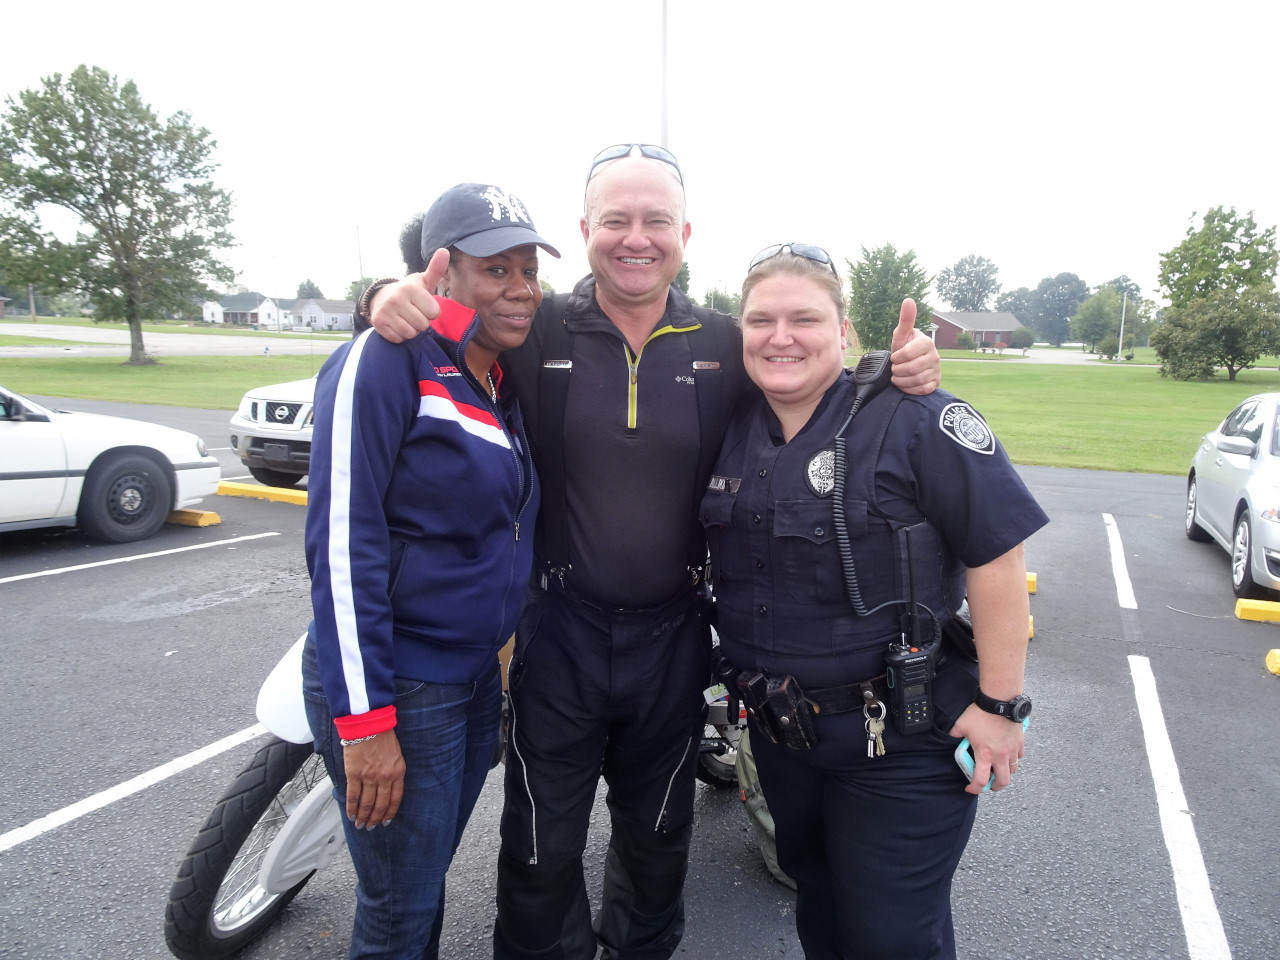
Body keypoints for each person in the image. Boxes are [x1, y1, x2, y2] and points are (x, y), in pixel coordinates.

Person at [363, 145, 943, 960]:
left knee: (657, 838)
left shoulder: (729, 342)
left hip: (673, 637)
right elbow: (432, 334)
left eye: (655, 221)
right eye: (616, 220)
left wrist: (901, 367)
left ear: (685, 234)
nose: (635, 238)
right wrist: (380, 297)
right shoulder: (536, 325)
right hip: (559, 633)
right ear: (585, 231)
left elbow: (818, 384)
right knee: (539, 846)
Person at [700, 243, 1049, 960]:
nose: (781, 337)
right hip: (785, 738)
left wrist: (1001, 707)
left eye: (804, 319)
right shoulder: (731, 423)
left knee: (890, 938)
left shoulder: (916, 419)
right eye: (761, 321)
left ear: (843, 330)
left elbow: (998, 553)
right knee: (821, 912)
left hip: (900, 741)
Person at [302, 182, 556, 959]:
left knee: (421, 880)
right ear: (442, 273)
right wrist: (365, 724)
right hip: (401, 687)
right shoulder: (384, 362)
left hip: (471, 681)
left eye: (529, 270)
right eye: (496, 270)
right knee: (398, 911)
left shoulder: (497, 378)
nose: (520, 289)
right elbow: (342, 546)